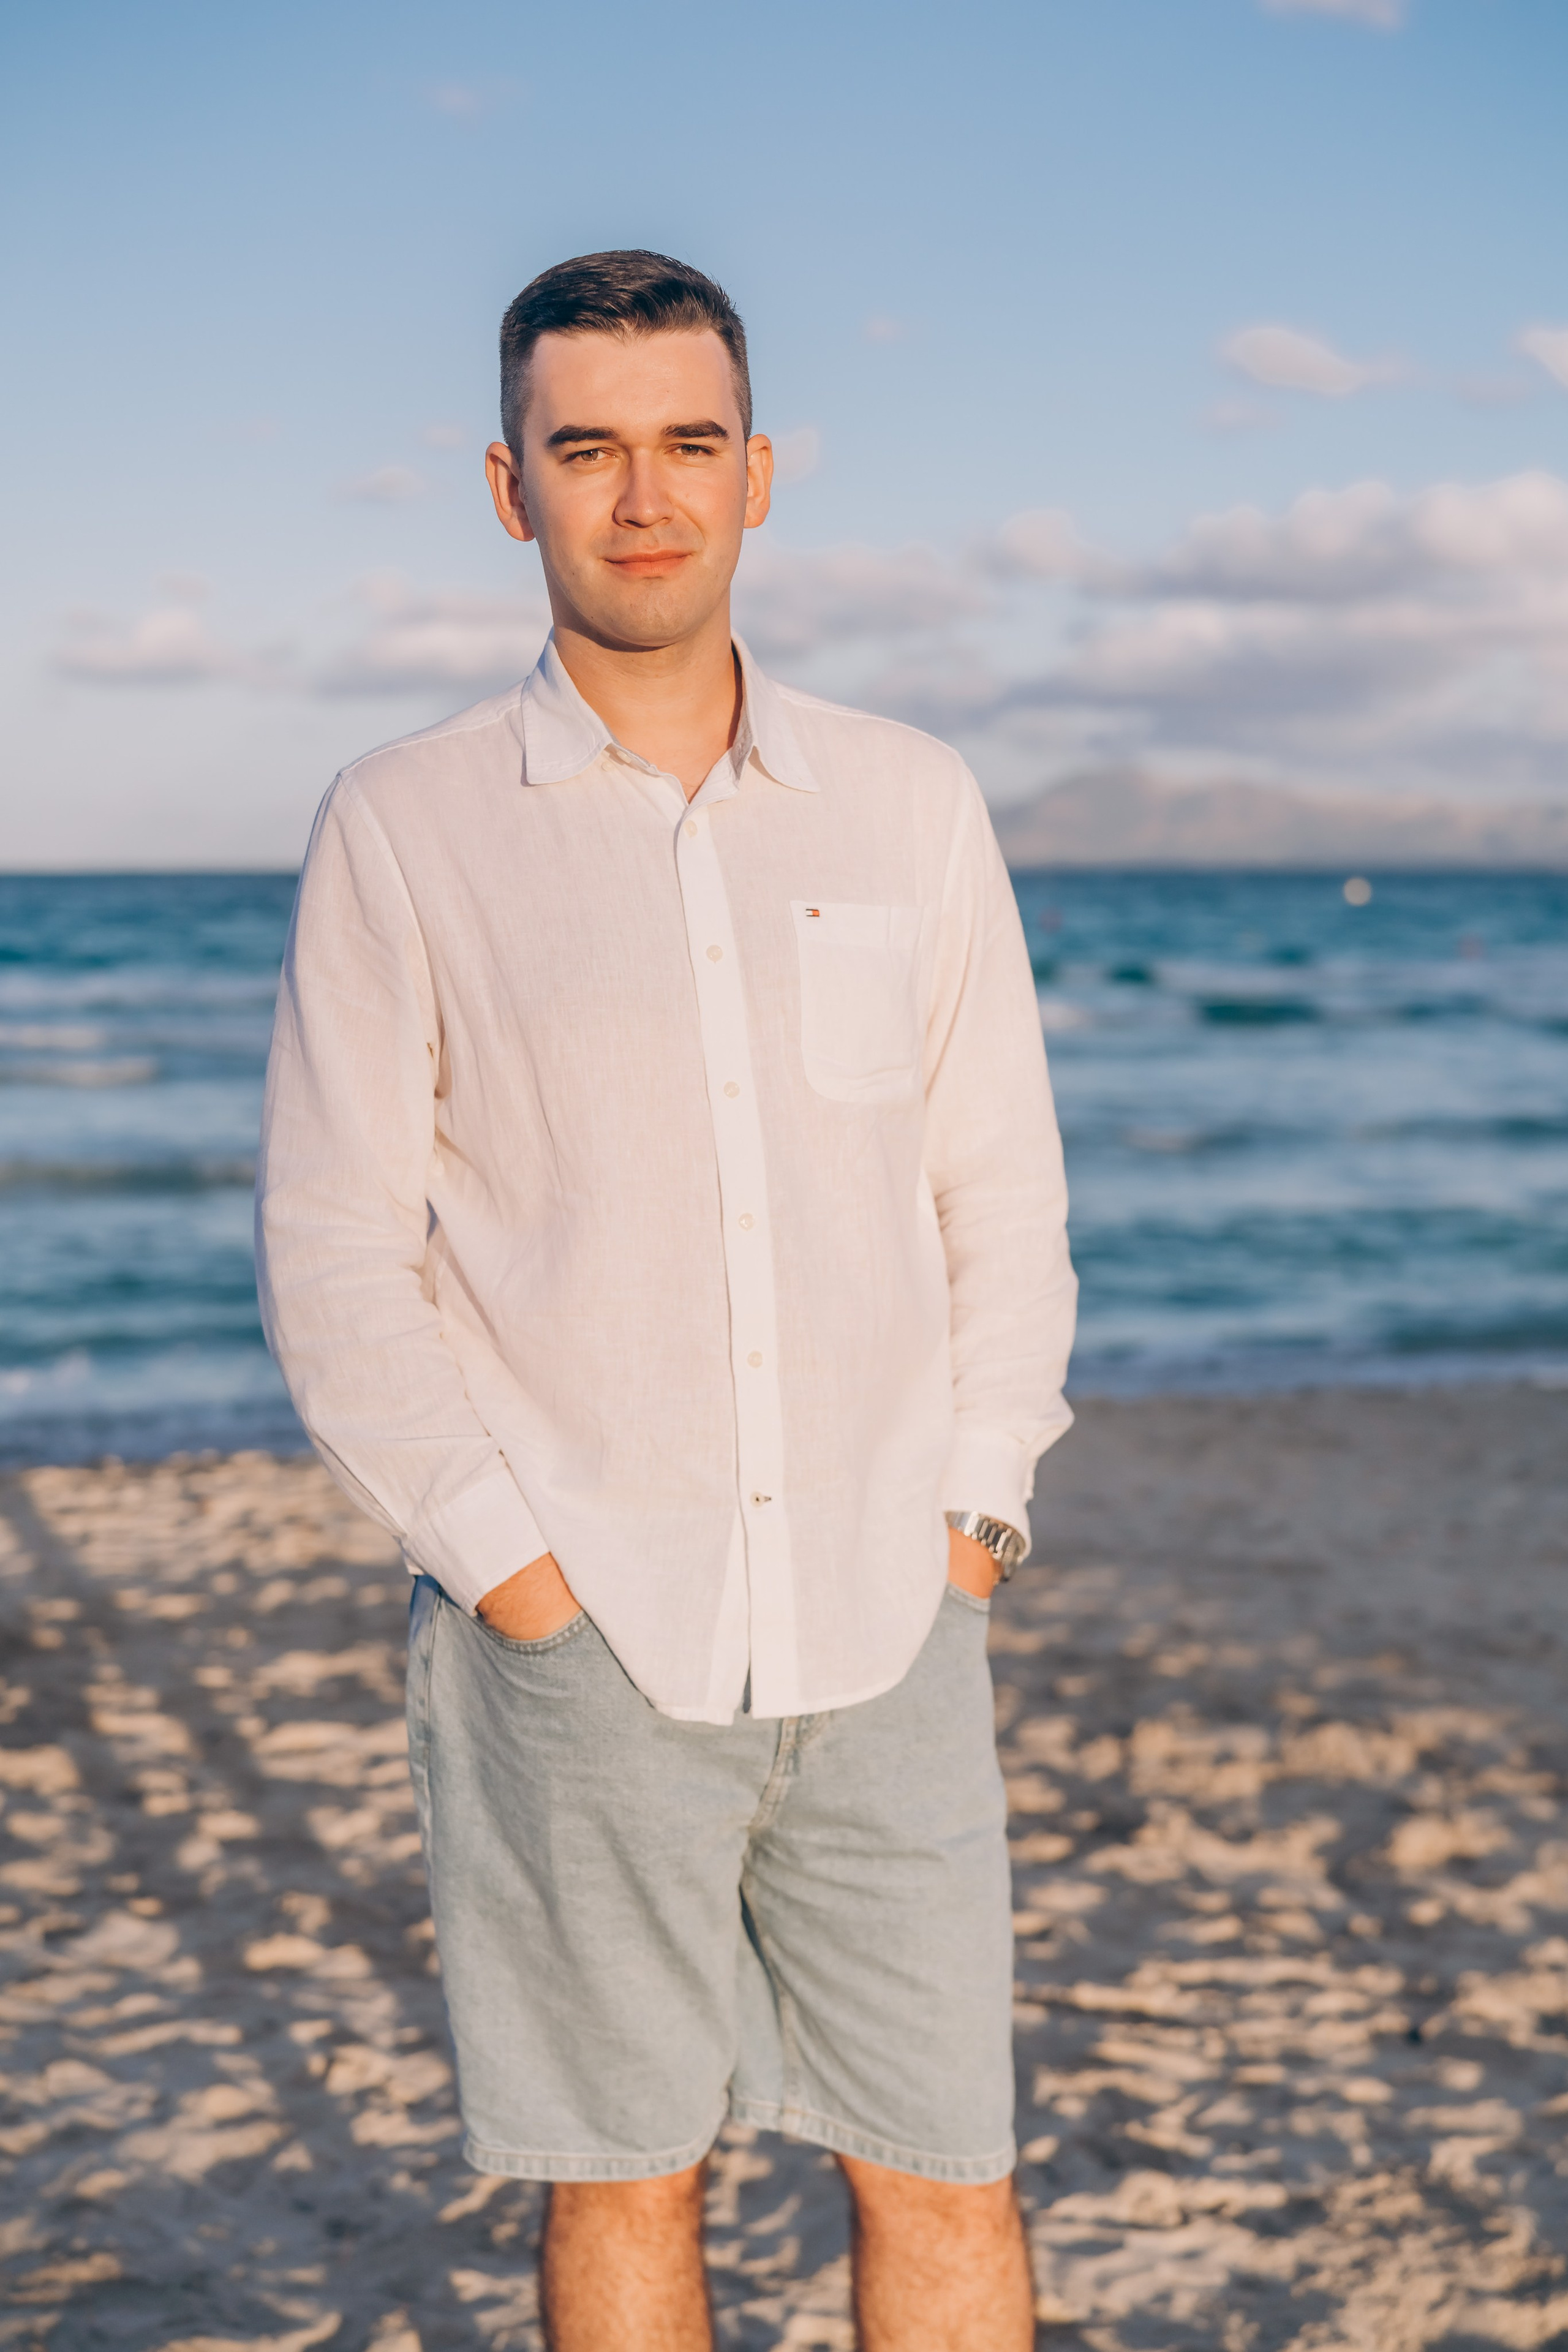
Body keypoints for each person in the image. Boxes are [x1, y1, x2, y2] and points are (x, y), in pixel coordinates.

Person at [257, 248, 1076, 2350]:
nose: (646, 496)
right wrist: (518, 1579)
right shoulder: (407, 824)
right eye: (589, 448)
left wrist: (976, 1515)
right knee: (625, 2189)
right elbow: (339, 1253)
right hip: (582, 1636)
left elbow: (995, 1183)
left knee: (953, 2179)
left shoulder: (910, 801)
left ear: (761, 472)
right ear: (511, 486)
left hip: (895, 1621)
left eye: (688, 444)